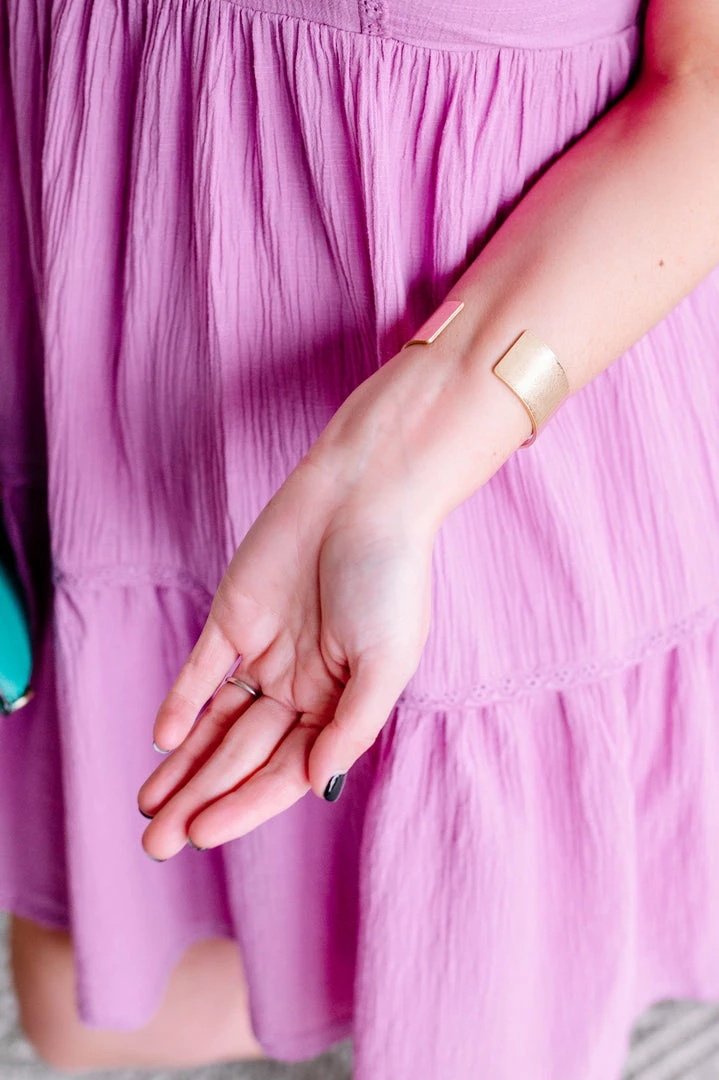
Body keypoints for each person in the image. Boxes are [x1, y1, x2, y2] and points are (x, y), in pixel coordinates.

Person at [2, 0, 719, 1076]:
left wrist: (399, 462)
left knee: (476, 1009)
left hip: (489, 415)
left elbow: (707, 87)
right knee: (82, 1014)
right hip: (109, 342)